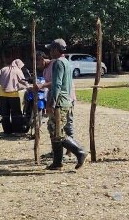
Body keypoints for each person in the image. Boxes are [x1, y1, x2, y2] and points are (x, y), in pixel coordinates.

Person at [45, 39, 87, 170]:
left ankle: (80, 151)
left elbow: (56, 84)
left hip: (59, 102)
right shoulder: (66, 62)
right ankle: (57, 162)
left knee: (57, 132)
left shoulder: (58, 62)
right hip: (66, 100)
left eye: (51, 49)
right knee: (54, 130)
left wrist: (51, 102)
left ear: (57, 50)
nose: (50, 52)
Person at [31, 51, 77, 137]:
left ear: (42, 59)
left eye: (38, 63)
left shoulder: (56, 64)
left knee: (67, 125)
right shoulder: (45, 70)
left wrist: (42, 85)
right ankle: (56, 149)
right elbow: (50, 89)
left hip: (66, 98)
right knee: (54, 127)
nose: (37, 66)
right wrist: (48, 104)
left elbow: (57, 83)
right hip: (56, 100)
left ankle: (74, 150)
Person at [0, 59, 29, 135]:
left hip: (2, 95)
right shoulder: (18, 70)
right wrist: (28, 86)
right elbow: (23, 80)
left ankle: (7, 131)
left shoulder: (4, 69)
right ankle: (17, 131)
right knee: (16, 114)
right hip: (13, 95)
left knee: (5, 114)